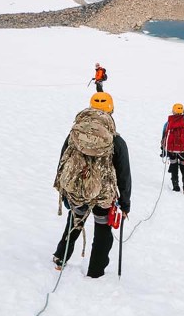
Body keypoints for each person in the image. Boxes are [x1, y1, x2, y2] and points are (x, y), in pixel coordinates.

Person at [51, 92, 131, 278]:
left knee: (75, 222)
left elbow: (63, 162)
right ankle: (95, 271)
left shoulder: (74, 135)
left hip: (77, 193)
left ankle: (60, 258)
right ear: (111, 110)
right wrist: (125, 204)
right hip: (103, 198)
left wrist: (64, 192)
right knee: (103, 231)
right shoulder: (116, 141)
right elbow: (124, 175)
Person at [160, 103, 184, 194]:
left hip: (171, 151)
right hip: (183, 151)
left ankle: (175, 186)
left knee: (173, 167)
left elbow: (164, 137)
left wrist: (163, 149)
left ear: (173, 111)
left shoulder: (168, 123)